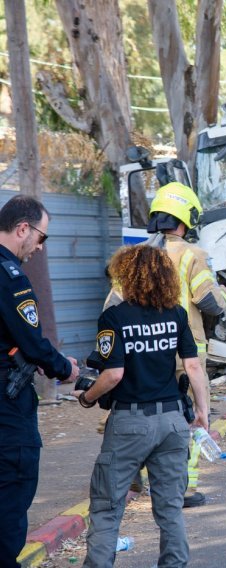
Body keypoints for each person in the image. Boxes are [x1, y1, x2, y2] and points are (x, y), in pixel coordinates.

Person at [74, 245, 209, 567]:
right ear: (165, 277)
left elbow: (113, 373)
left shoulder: (114, 318)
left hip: (130, 424)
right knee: (170, 510)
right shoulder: (176, 314)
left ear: (127, 276)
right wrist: (203, 410)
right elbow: (193, 367)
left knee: (106, 509)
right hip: (173, 422)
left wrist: (87, 396)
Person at [105, 182, 226, 508]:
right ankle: (182, 489)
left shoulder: (134, 259)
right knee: (188, 418)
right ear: (186, 219)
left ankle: (133, 479)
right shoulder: (193, 256)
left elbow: (110, 309)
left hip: (140, 354)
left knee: (138, 413)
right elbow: (210, 303)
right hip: (184, 355)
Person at [0, 196, 80, 564]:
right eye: (41, 237)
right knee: (11, 502)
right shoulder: (11, 277)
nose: (40, 246)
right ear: (22, 230)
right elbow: (32, 343)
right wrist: (65, 368)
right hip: (7, 414)